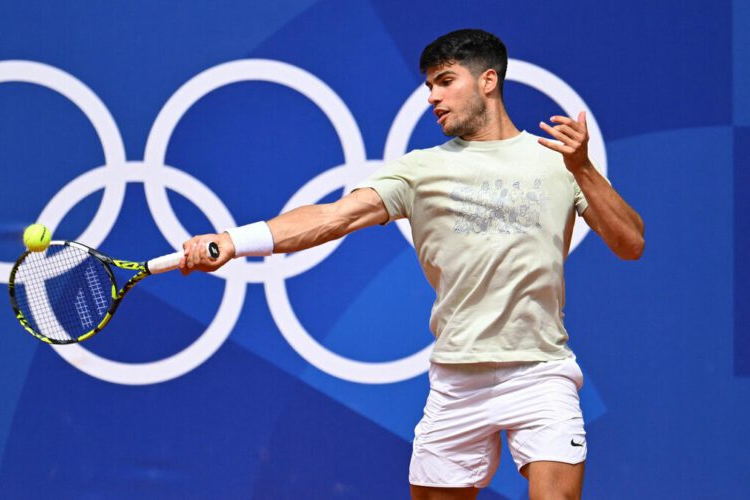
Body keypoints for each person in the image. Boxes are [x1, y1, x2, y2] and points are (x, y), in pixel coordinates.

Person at [179, 29, 644, 500]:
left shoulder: (560, 162)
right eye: (428, 87)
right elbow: (331, 218)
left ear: (488, 81)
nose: (433, 97)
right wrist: (233, 240)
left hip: (541, 372)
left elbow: (631, 243)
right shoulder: (419, 170)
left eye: (445, 81)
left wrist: (583, 167)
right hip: (457, 380)